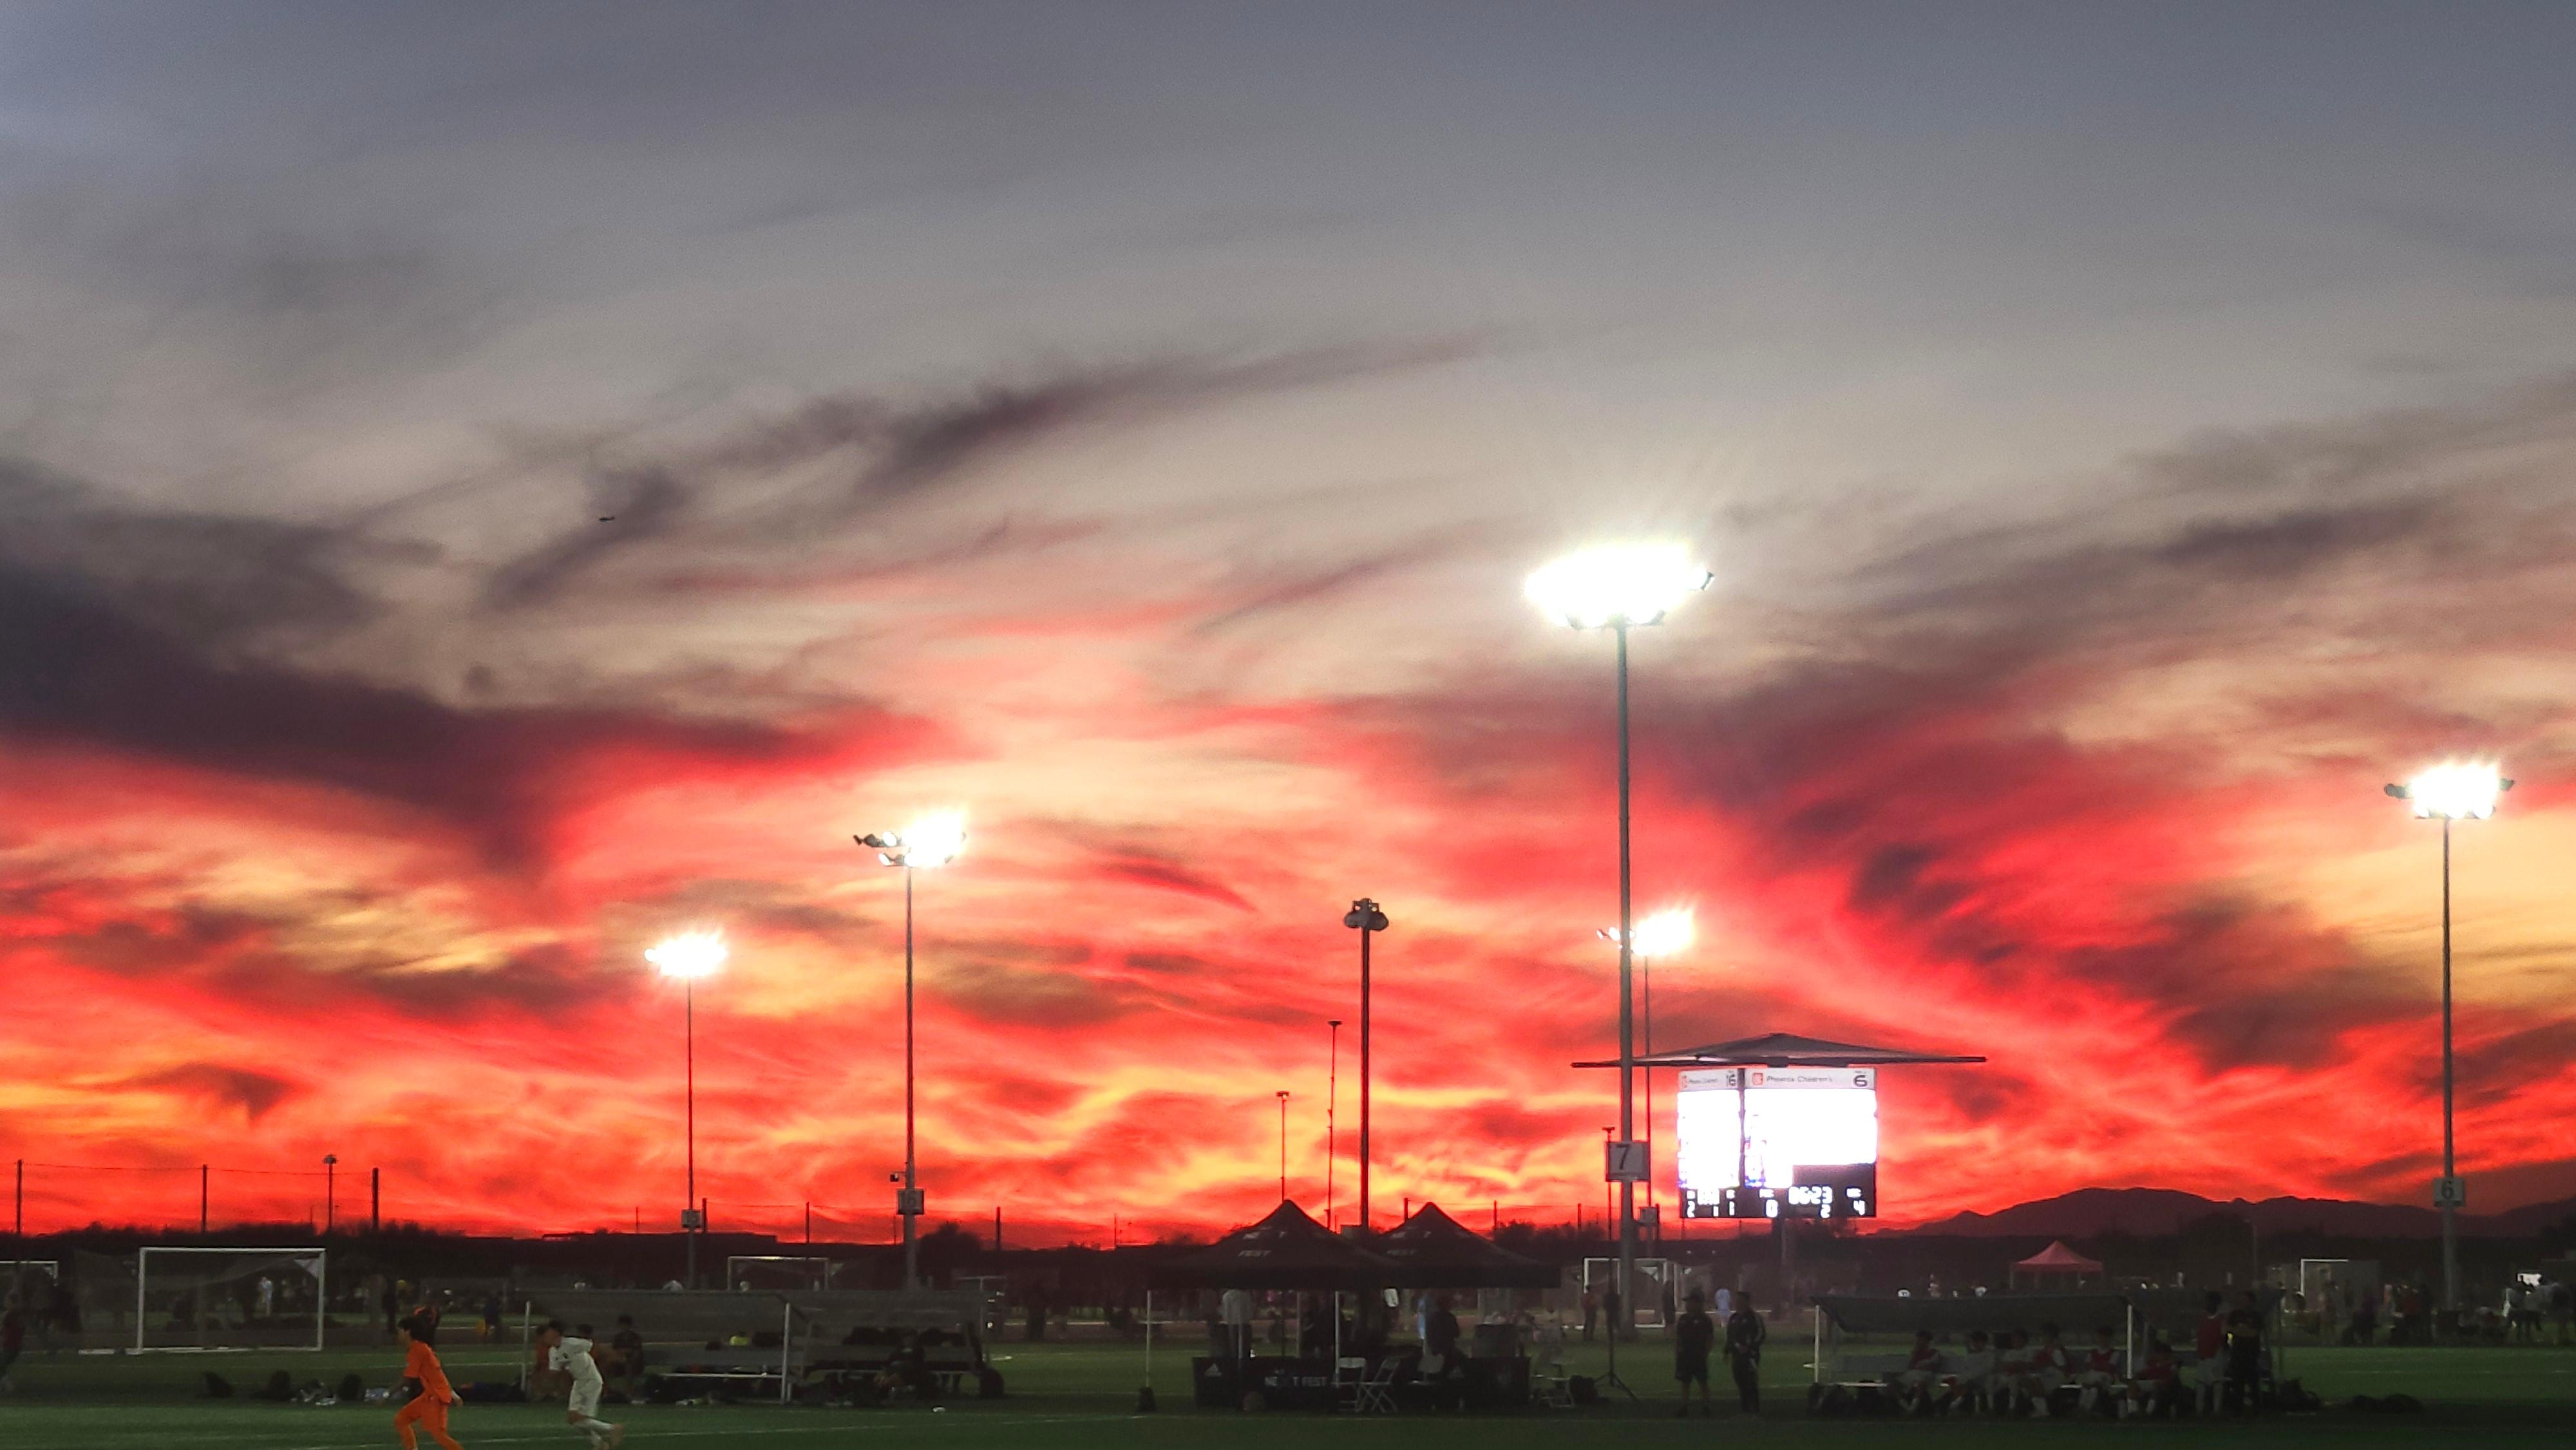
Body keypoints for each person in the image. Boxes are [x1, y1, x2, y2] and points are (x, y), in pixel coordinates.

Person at [538, 1321, 624, 1449]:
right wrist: (546, 1386)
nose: (544, 1338)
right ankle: (599, 1443)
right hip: (579, 1383)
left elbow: (595, 1346)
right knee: (574, 1420)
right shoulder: (553, 1352)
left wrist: (616, 1356)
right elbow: (554, 1372)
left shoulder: (572, 1343)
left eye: (546, 1333)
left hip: (591, 1381)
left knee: (579, 1419)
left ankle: (612, 1429)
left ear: (555, 1333)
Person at [393, 1313, 463, 1450]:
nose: (398, 1335)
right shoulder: (422, 1349)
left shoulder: (418, 1351)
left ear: (407, 1332)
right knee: (401, 1420)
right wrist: (454, 1394)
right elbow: (439, 1374)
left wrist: (387, 1394)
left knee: (439, 1435)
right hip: (431, 1395)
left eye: (400, 1331)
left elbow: (408, 1378)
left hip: (435, 1397)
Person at [1671, 1288, 1715, 1417]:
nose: (1688, 1305)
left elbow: (1709, 1338)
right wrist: (1677, 1352)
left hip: (1698, 1355)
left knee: (1702, 1382)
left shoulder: (1705, 1320)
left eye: (1690, 1302)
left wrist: (1705, 1353)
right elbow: (1678, 1337)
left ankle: (1706, 1406)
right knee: (1685, 1382)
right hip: (1685, 1355)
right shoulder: (1683, 1319)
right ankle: (1684, 1406)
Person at [1722, 1291, 1763, 1414]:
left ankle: (1755, 1409)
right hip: (1737, 1356)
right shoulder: (1734, 1318)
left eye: (1740, 1300)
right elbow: (1730, 1336)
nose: (1737, 1303)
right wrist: (1727, 1351)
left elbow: (1761, 1334)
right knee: (1740, 1382)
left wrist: (1750, 1347)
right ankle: (1745, 1409)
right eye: (1736, 1300)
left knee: (1750, 1381)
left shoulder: (1754, 1317)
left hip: (1750, 1356)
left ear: (1746, 1302)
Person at [2193, 1291, 2228, 1415]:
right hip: (2203, 1355)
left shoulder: (2221, 1319)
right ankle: (2199, 1410)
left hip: (2216, 1355)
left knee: (2217, 1383)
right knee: (2201, 1384)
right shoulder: (2202, 1318)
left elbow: (2224, 1338)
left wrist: (2220, 1352)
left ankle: (2217, 1410)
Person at [1, 1291, 24, 1395]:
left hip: (9, 1345)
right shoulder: (19, 1315)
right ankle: (7, 1386)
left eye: (7, 1300)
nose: (5, 1302)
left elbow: (2, 1329)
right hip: (15, 1345)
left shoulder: (9, 1315)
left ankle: (9, 1386)